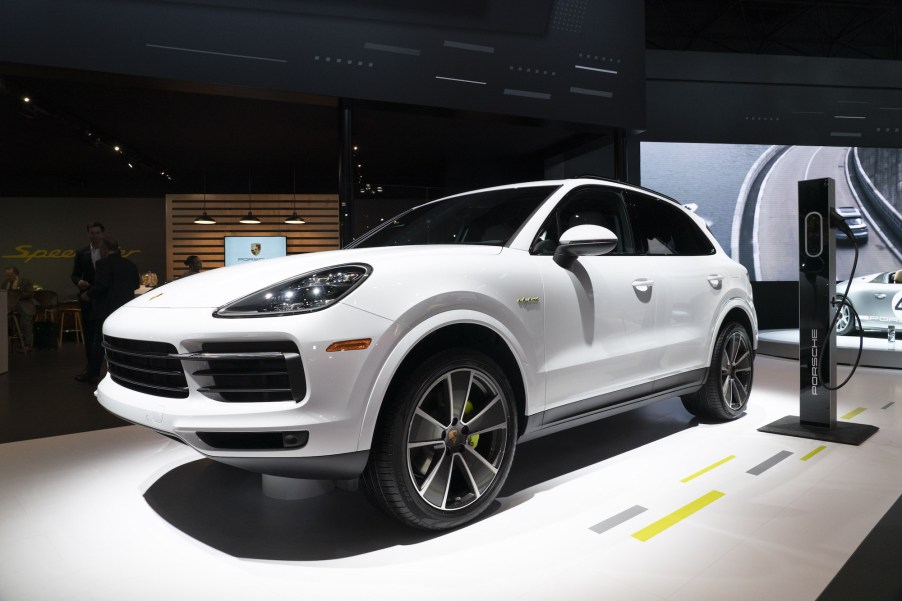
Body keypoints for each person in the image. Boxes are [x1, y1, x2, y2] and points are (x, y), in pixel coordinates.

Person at [76, 237, 139, 384]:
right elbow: (136, 284)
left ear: (104, 249)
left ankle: (92, 373)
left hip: (106, 308)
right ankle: (127, 372)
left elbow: (102, 286)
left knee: (98, 342)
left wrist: (87, 294)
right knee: (124, 343)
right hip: (125, 309)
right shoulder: (130, 264)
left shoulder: (102, 263)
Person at [71, 222, 105, 372]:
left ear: (102, 234)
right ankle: (91, 365)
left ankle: (109, 366)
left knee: (106, 333)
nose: (95, 235)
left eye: (97, 233)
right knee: (90, 334)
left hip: (105, 298)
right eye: (92, 233)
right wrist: (79, 281)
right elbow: (74, 274)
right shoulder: (81, 252)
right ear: (88, 234)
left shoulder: (109, 251)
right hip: (87, 297)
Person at [3, 266, 36, 351]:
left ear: (16, 274)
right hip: (9, 306)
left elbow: (30, 293)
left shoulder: (25, 281)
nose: (8, 277)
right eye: (6, 275)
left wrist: (17, 296)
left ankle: (28, 345)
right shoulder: (5, 283)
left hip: (24, 305)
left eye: (9, 275)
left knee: (25, 323)